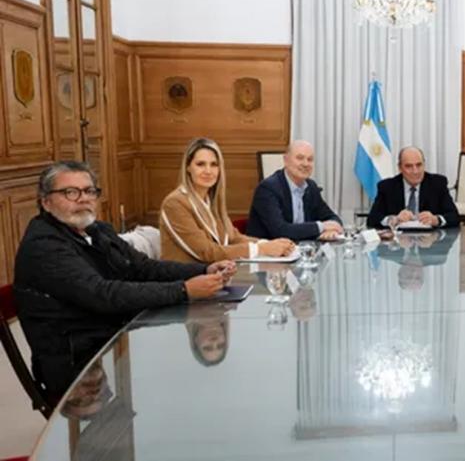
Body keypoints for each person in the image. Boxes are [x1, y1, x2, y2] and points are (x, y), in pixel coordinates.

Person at [14, 161, 233, 403]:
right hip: (77, 365)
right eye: (70, 192)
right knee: (177, 383)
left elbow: (143, 268)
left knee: (190, 374)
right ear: (46, 202)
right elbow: (103, 294)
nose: (83, 199)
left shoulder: (97, 230)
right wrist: (184, 290)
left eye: (89, 191)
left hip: (112, 336)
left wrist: (203, 269)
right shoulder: (44, 245)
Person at [160, 137, 294, 263]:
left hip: (214, 273)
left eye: (214, 164)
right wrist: (261, 249)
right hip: (186, 277)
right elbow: (207, 252)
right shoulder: (175, 203)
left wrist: (270, 244)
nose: (208, 171)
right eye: (200, 164)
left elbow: (233, 237)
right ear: (188, 167)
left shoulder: (210, 200)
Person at [246, 140, 343, 241]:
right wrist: (322, 227)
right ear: (286, 160)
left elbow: (332, 218)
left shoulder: (311, 187)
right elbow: (280, 230)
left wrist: (331, 230)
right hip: (268, 249)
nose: (305, 164)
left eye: (310, 159)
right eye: (300, 158)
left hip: (301, 248)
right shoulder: (268, 188)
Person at [367, 146, 459, 229]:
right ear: (400, 168)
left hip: (431, 239)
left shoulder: (437, 184)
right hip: (398, 240)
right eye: (409, 166)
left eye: (419, 165)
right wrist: (393, 220)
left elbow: (454, 217)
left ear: (424, 164)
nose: (415, 171)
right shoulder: (387, 187)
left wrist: (436, 220)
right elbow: (372, 219)